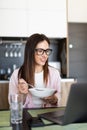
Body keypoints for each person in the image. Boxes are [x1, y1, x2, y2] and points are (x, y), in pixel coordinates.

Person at [8, 33, 61, 108]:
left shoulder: (54, 73)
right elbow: (13, 105)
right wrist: (23, 94)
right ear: (30, 52)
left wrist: (54, 99)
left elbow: (59, 96)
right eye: (40, 51)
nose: (45, 55)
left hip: (48, 115)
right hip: (26, 116)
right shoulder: (17, 74)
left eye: (47, 51)